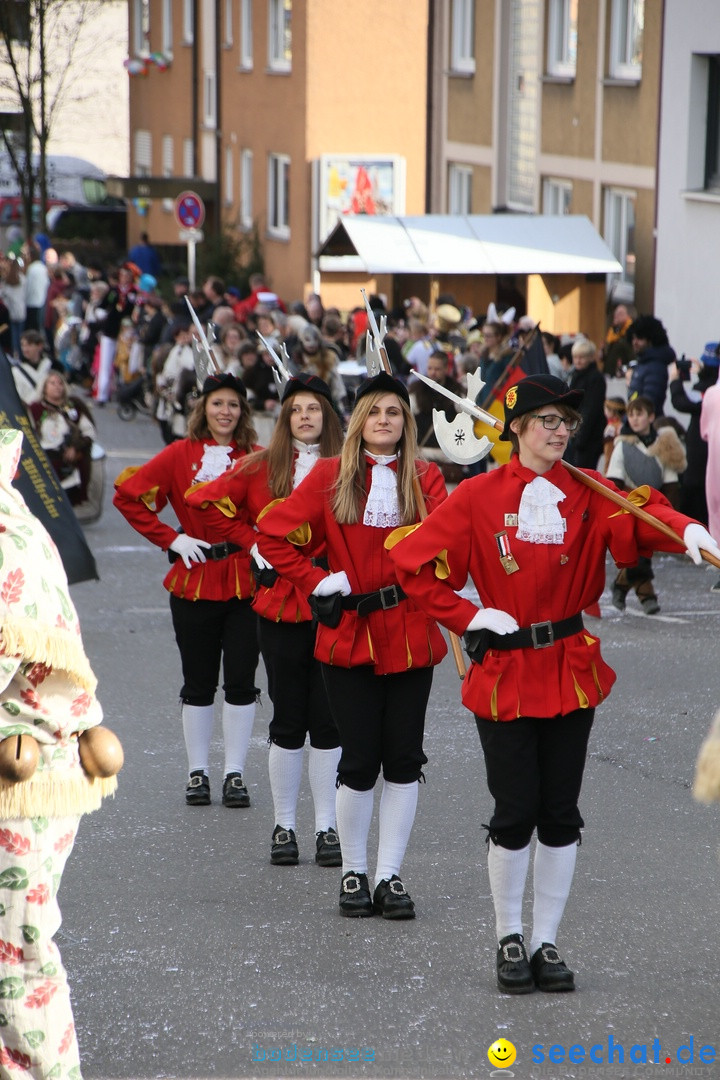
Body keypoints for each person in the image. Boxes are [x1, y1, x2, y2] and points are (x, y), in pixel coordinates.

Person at [387, 373, 719, 992]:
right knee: (515, 811)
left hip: (570, 668)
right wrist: (467, 615)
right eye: (547, 421)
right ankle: (508, 936)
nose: (561, 431)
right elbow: (409, 564)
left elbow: (644, 513)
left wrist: (689, 529)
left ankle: (546, 942)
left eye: (567, 422)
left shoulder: (591, 490)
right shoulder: (478, 495)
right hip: (505, 672)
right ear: (516, 429)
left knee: (561, 812)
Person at [256, 371, 448, 920]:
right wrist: (315, 581)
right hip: (349, 638)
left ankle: (389, 875)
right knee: (359, 760)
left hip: (411, 634)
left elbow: (450, 541)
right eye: (375, 411)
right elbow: (272, 535)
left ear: (406, 422)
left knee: (405, 761)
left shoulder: (425, 478)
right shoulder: (326, 475)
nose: (384, 420)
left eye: (394, 411)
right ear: (359, 421)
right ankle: (353, 874)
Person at [186, 373, 345, 866]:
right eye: (295, 409)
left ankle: (327, 828)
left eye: (313, 409)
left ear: (328, 416)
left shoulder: (349, 467)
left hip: (335, 602)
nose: (304, 417)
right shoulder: (261, 464)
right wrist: (252, 541)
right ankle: (284, 826)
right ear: (284, 418)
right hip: (280, 603)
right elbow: (201, 500)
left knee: (330, 720)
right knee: (288, 717)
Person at [0, 426, 120, 1079]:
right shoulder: (13, 518)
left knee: (14, 959)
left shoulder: (5, 543)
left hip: (18, 778)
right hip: (32, 769)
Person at [113, 372, 262, 807]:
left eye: (233, 404)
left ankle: (234, 773)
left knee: (241, 681)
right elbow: (128, 496)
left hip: (244, 583)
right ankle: (197, 772)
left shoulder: (255, 457)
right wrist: (171, 539)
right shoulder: (180, 454)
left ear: (243, 411)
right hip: (193, 580)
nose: (225, 411)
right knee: (197, 683)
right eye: (218, 403)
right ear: (203, 408)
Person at [606, 395, 687, 614]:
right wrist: (619, 512)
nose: (634, 419)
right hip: (629, 506)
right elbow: (613, 481)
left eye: (639, 414)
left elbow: (670, 482)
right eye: (631, 414)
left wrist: (673, 515)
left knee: (644, 551)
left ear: (651, 417)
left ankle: (622, 585)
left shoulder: (665, 445)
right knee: (639, 552)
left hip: (656, 505)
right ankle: (646, 594)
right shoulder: (622, 446)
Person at [29, 371, 97, 506]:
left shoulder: (74, 407)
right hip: (44, 463)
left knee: (66, 503)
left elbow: (89, 431)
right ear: (44, 387)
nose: (57, 386)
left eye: (60, 383)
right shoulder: (35, 409)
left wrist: (75, 448)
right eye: (52, 383)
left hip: (67, 465)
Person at [669, 346, 720, 523]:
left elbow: (682, 403)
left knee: (699, 499)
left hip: (703, 457)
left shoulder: (712, 393)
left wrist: (675, 380)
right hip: (703, 454)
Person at [565, 338, 607, 469]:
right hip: (576, 432)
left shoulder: (595, 378)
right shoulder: (576, 375)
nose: (577, 361)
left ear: (590, 358)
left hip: (588, 436)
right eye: (575, 357)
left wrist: (579, 438)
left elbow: (591, 410)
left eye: (581, 357)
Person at [626, 315, 675, 417]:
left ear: (651, 340)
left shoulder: (655, 366)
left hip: (645, 425)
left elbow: (649, 403)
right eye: (633, 338)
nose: (634, 342)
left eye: (639, 338)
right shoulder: (643, 363)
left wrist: (627, 422)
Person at [10, 329, 56, 406]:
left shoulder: (52, 366)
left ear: (40, 346)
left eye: (29, 345)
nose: (25, 349)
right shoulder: (16, 370)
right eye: (23, 345)